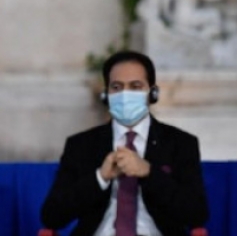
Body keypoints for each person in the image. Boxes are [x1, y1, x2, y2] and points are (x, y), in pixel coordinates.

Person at [40, 51, 209, 236]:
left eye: (135, 86)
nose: (125, 94)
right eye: (117, 87)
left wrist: (149, 172)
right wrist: (100, 178)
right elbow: (51, 216)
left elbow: (196, 214)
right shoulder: (81, 145)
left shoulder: (180, 143)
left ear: (152, 93)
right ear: (106, 95)